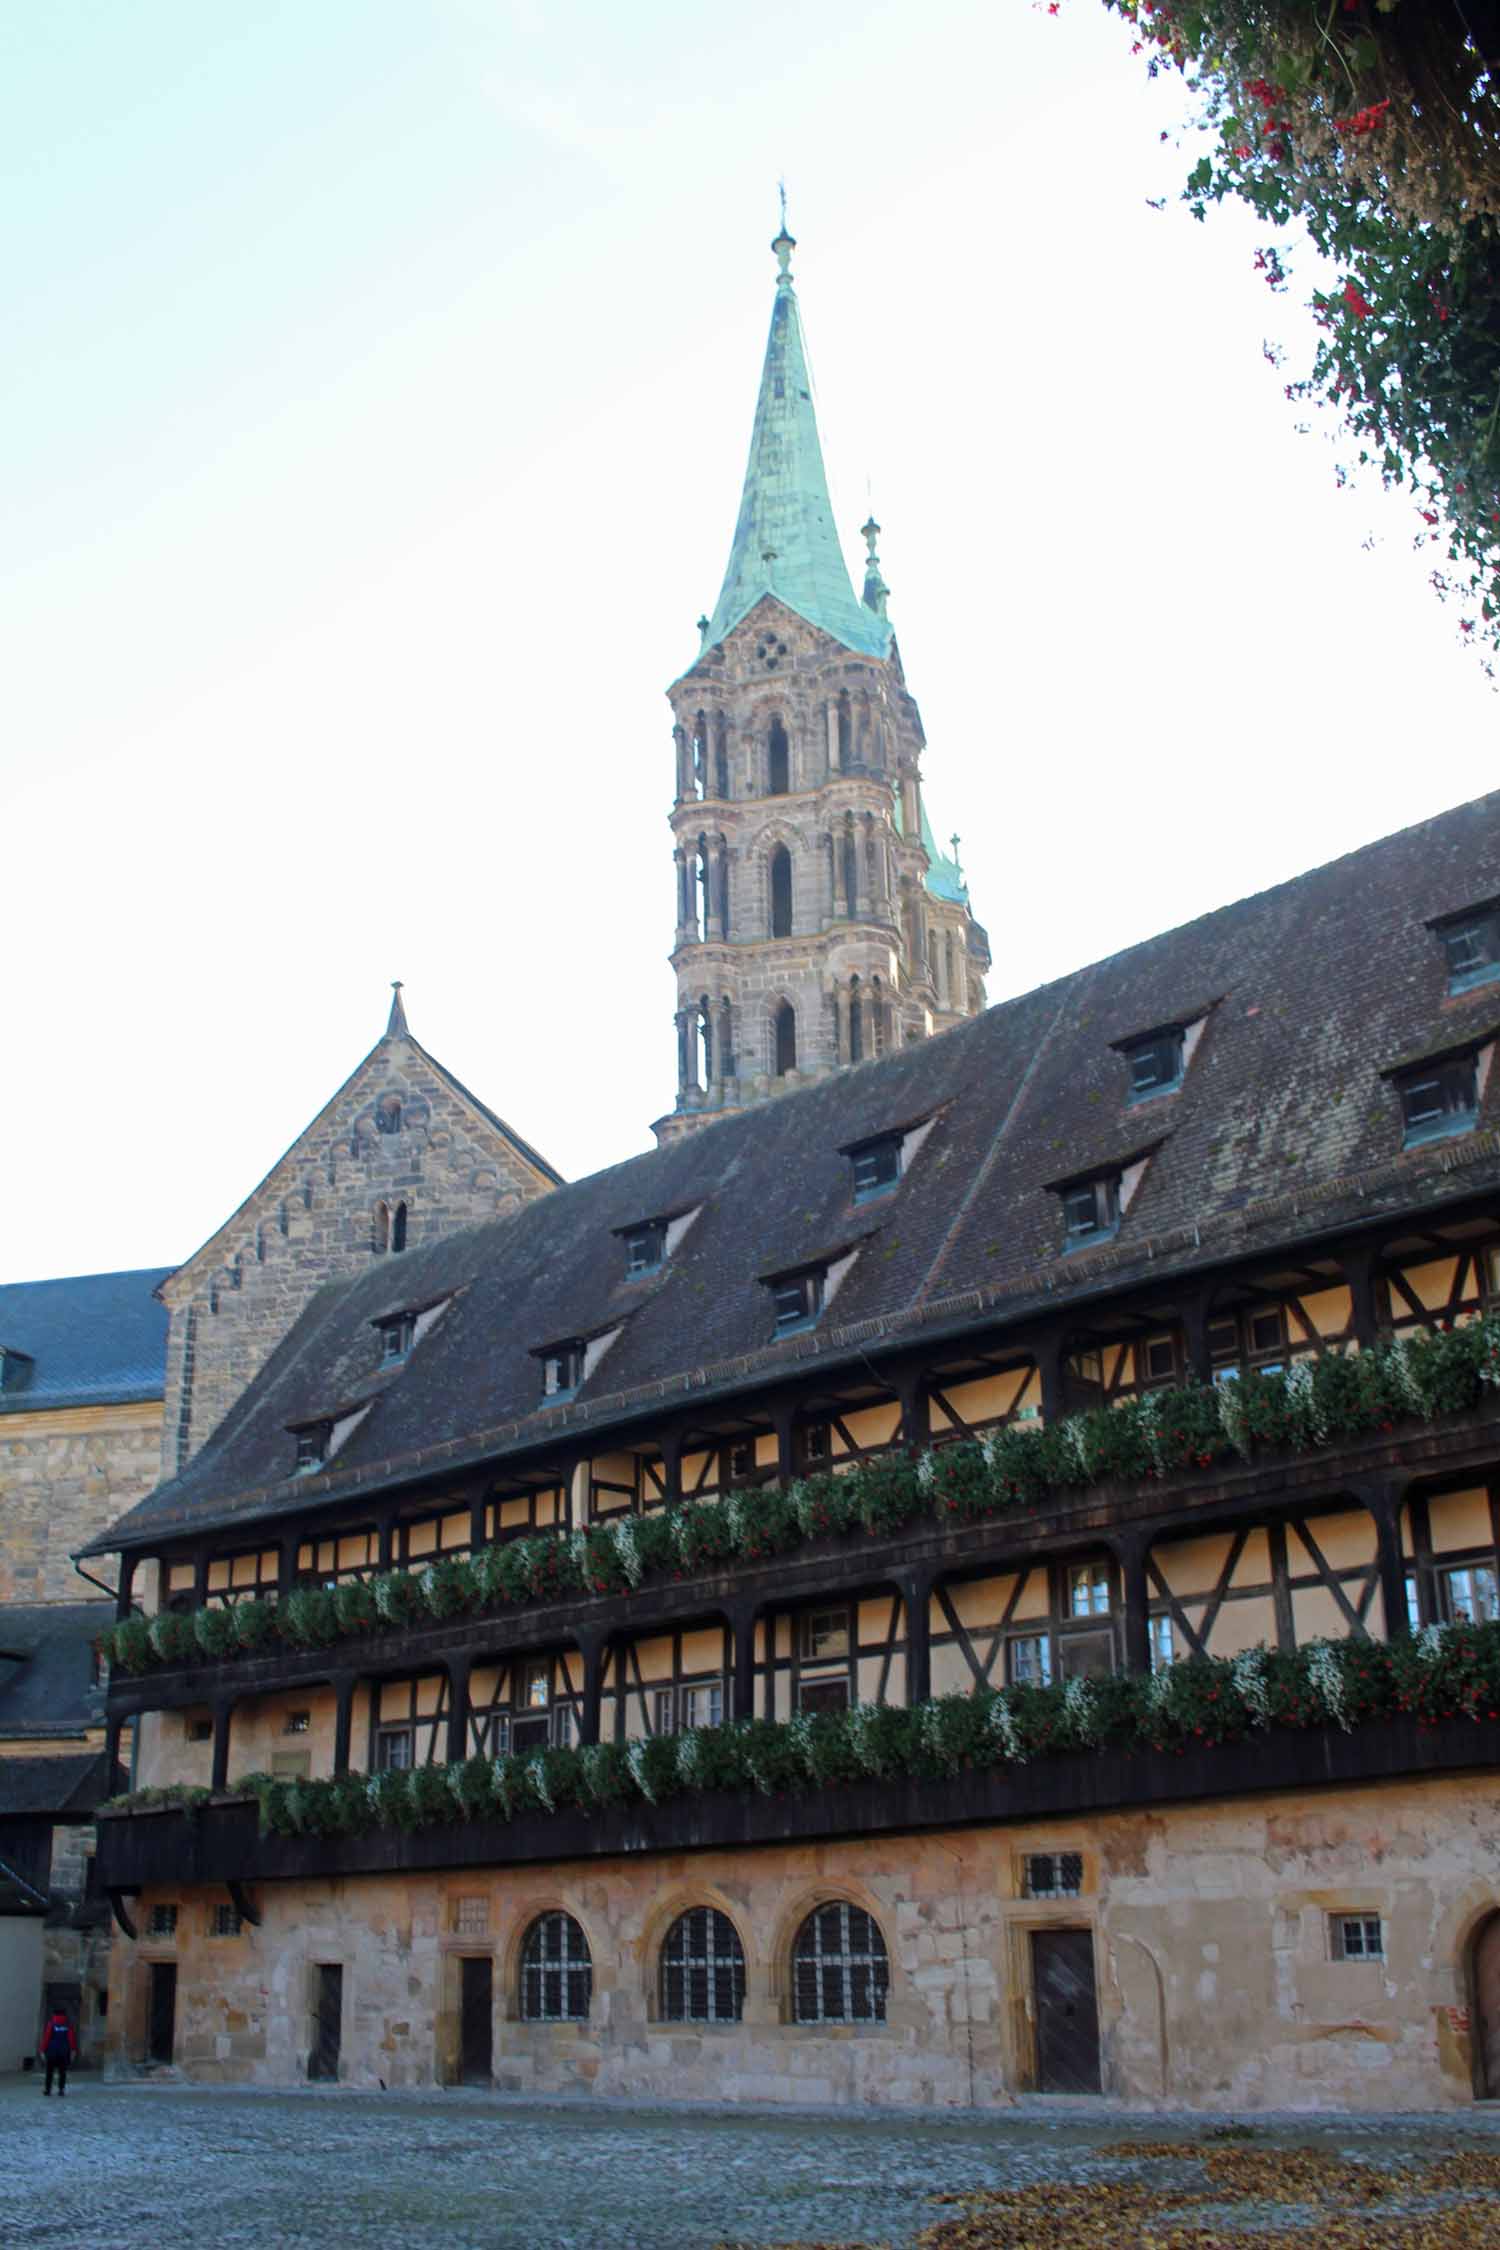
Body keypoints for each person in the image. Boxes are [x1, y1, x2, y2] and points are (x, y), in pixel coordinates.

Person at [39, 2009, 76, 2097]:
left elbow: (46, 2038)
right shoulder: (68, 2025)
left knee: (49, 2072)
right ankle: (61, 2090)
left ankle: (48, 2090)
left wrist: (42, 2050)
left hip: (52, 2052)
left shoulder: (51, 2024)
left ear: (54, 2015)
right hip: (63, 2052)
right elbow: (71, 2039)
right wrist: (73, 2050)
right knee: (62, 2072)